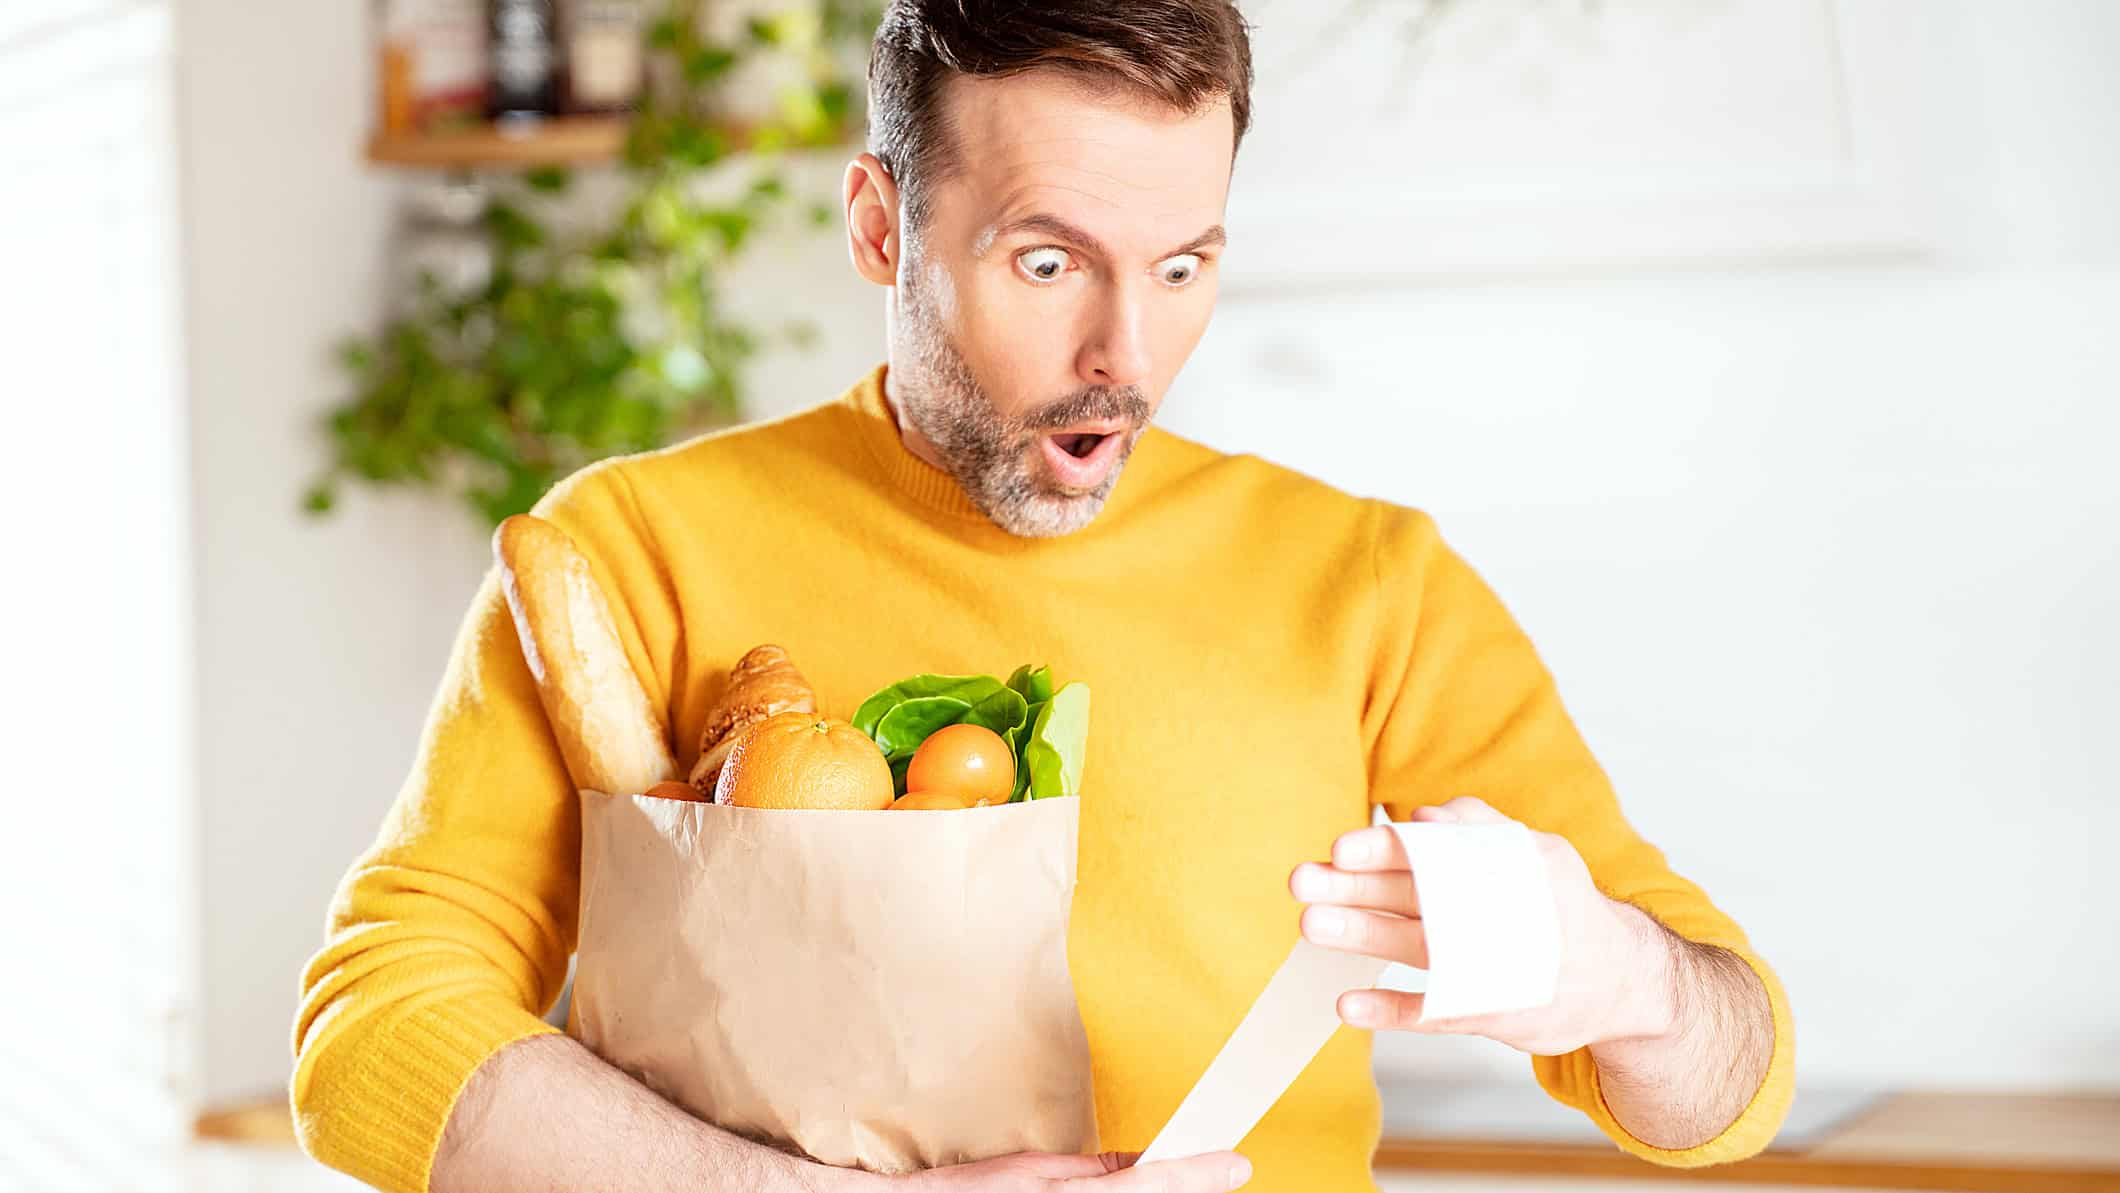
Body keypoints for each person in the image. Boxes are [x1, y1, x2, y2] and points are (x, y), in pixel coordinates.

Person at [291, 3, 1791, 1190]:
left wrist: (1630, 981)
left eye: (1185, 263)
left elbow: (1730, 1086)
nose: (1124, 354)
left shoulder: (1370, 585)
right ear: (882, 227)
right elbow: (371, 1031)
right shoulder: (632, 551)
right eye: (1050, 258)